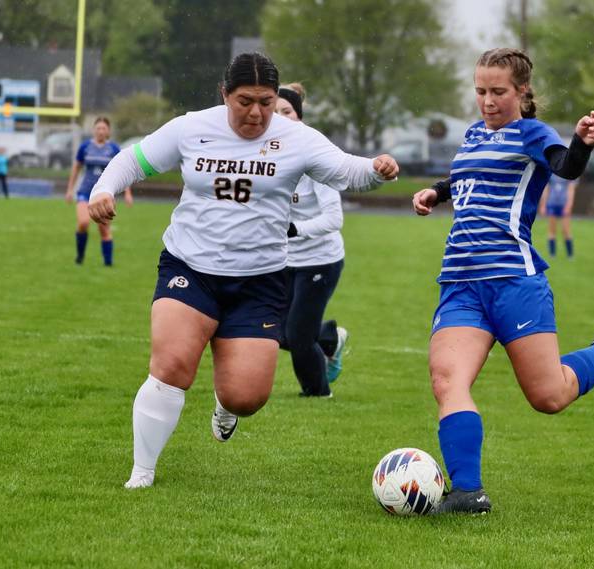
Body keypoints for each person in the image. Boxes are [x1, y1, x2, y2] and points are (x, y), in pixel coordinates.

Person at [87, 52, 398, 489]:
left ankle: (226, 405)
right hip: (190, 266)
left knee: (247, 397)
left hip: (261, 280)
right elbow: (132, 160)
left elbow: (348, 171)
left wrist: (376, 169)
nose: (256, 113)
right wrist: (104, 189)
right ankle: (142, 471)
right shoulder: (193, 127)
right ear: (224, 94)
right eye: (245, 101)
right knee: (172, 365)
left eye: (267, 102)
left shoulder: (297, 137)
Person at [411, 48, 594, 514]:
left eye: (498, 92)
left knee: (548, 397)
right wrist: (437, 191)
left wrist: (583, 143)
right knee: (447, 380)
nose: (487, 101)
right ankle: (468, 492)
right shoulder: (472, 134)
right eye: (481, 91)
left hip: (514, 283)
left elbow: (564, 166)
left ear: (521, 92)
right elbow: (467, 177)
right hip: (460, 283)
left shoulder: (533, 134)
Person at [275, 83, 349, 398]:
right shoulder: (268, 155)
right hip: (284, 260)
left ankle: (318, 393)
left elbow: (335, 219)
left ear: (299, 115)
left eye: (286, 112)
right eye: (274, 112)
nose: (280, 118)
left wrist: (295, 229)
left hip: (321, 261)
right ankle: (330, 338)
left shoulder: (316, 156)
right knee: (275, 332)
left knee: (299, 336)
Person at [65, 117, 132, 266]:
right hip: (85, 191)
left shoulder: (113, 149)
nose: (101, 131)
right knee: (83, 223)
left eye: (104, 128)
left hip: (105, 194)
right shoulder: (85, 147)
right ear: (93, 130)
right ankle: (80, 257)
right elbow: (76, 168)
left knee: (104, 228)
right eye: (98, 128)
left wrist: (127, 193)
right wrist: (70, 189)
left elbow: (123, 171)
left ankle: (108, 264)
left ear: (108, 131)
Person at [538, 173, 576, 258]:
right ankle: (552, 255)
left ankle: (570, 255)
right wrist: (543, 205)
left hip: (563, 204)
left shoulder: (569, 172)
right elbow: (546, 189)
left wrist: (569, 205)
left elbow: (571, 189)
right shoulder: (551, 172)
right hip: (552, 203)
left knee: (566, 230)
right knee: (552, 230)